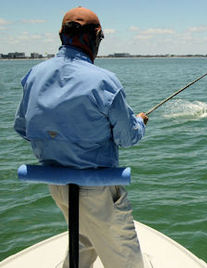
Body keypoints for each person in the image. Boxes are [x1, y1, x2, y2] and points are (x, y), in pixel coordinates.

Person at [14, 6, 148, 268]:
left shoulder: (34, 75)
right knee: (127, 260)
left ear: (62, 35)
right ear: (96, 36)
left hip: (58, 186)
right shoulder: (105, 81)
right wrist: (140, 122)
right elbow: (127, 137)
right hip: (97, 189)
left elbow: (23, 129)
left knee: (83, 240)